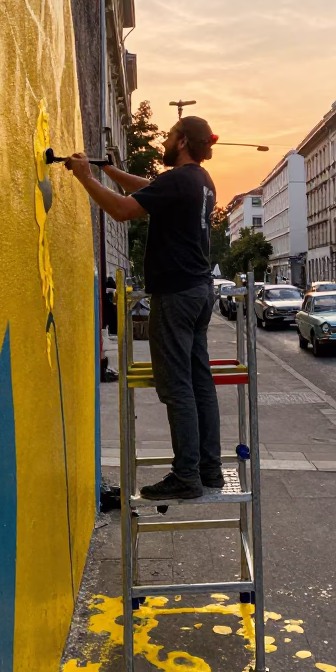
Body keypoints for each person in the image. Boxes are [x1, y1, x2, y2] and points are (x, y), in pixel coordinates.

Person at [65, 116, 222, 500]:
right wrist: (113, 173)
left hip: (175, 295)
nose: (165, 142)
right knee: (200, 383)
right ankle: (209, 469)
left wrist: (86, 178)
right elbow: (151, 191)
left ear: (182, 141)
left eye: (169, 136)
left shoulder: (178, 179)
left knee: (177, 388)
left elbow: (122, 210)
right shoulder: (201, 182)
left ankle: (186, 477)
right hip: (199, 294)